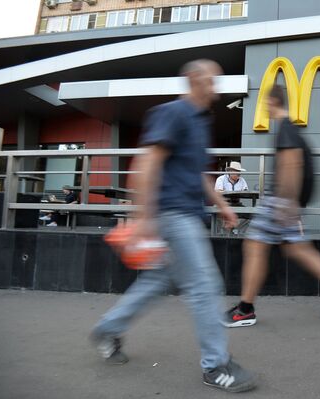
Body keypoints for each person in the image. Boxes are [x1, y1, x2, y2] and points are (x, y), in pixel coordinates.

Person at [90, 59, 256, 393]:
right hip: (172, 215)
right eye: (212, 80)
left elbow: (196, 173)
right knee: (204, 285)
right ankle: (215, 366)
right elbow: (148, 161)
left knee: (157, 281)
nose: (216, 87)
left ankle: (107, 328)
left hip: (185, 214)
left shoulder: (197, 124)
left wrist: (223, 205)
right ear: (193, 78)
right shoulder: (173, 113)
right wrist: (144, 217)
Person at [223, 84, 320, 328]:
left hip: (279, 201)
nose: (264, 106)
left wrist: (286, 206)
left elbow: (292, 165)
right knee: (298, 250)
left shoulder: (285, 130)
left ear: (273, 101)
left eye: (265, 102)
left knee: (255, 246)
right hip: (286, 202)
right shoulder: (291, 130)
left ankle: (245, 309)